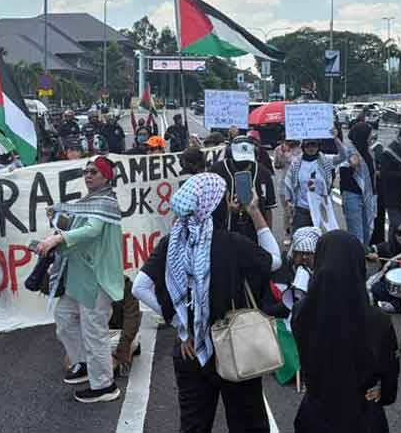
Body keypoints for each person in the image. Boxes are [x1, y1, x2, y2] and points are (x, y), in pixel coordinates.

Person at [132, 173, 281, 432]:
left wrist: (182, 325)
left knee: (194, 425)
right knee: (248, 424)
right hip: (234, 345)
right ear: (215, 206)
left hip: (190, 350)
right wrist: (254, 210)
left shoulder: (172, 242)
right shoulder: (232, 243)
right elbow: (274, 260)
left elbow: (140, 287)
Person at [35, 156, 125, 403]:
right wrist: (57, 218)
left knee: (94, 331)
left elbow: (92, 230)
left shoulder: (106, 203)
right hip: (78, 278)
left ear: (107, 177)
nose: (88, 175)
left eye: (94, 172)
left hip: (95, 279)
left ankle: (104, 385)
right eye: (86, 171)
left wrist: (58, 239)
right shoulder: (88, 202)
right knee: (64, 319)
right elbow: (73, 225)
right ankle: (84, 363)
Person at [292, 230, 399, 432]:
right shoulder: (378, 320)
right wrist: (384, 393)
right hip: (362, 414)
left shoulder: (302, 313)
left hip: (316, 413)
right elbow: (389, 371)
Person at [211, 135, 278, 243]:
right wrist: (227, 208)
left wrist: (268, 236)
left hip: (254, 234)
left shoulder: (264, 173)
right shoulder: (216, 171)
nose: (242, 163)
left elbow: (268, 208)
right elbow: (207, 207)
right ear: (230, 153)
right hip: (224, 234)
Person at [283, 139, 338, 232]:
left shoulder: (325, 159)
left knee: (322, 239)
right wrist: (288, 201)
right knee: (301, 238)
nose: (311, 148)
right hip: (302, 209)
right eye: (307, 145)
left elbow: (343, 157)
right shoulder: (296, 162)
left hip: (321, 208)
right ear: (303, 147)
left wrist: (336, 139)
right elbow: (289, 181)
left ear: (318, 146)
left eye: (314, 145)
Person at [338, 122, 379, 245]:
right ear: (362, 135)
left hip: (367, 196)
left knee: (367, 232)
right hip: (352, 196)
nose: (372, 136)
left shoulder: (369, 151)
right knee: (356, 233)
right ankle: (356, 261)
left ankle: (362, 256)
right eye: (369, 134)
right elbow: (342, 173)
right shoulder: (349, 151)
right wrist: (352, 166)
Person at [367, 221, 401, 314]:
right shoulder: (388, 246)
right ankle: (397, 305)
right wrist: (370, 255)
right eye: (399, 233)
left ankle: (395, 306)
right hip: (389, 287)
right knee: (376, 288)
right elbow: (367, 250)